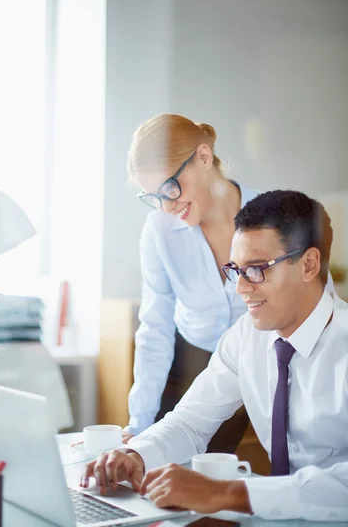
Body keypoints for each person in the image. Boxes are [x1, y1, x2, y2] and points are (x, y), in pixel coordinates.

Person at [83, 190, 348, 522]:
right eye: (236, 270)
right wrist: (135, 454)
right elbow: (191, 423)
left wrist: (227, 493)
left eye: (257, 269)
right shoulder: (244, 336)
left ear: (308, 264)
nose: (240, 288)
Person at [124, 113, 259, 451]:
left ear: (203, 157)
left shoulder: (272, 216)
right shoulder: (159, 231)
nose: (166, 207)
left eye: (170, 188)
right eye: (153, 197)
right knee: (152, 459)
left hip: (258, 361)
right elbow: (154, 326)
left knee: (204, 468)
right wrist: (139, 423)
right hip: (189, 361)